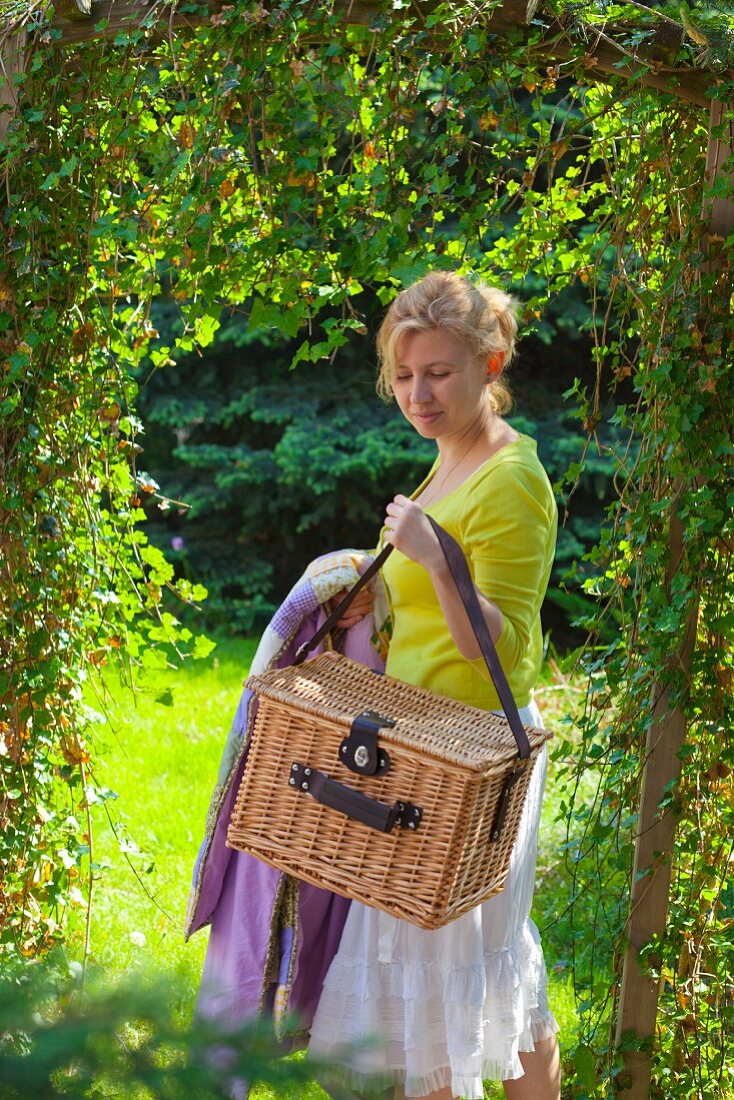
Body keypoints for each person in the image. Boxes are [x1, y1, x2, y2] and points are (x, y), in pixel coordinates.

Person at [308, 271, 561, 1100]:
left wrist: (430, 555)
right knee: (478, 975)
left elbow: (498, 642)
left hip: (477, 755)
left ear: (491, 364)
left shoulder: (511, 478)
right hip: (425, 749)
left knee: (452, 984)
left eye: (439, 373)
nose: (418, 393)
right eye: (405, 375)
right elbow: (423, 606)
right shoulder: (450, 459)